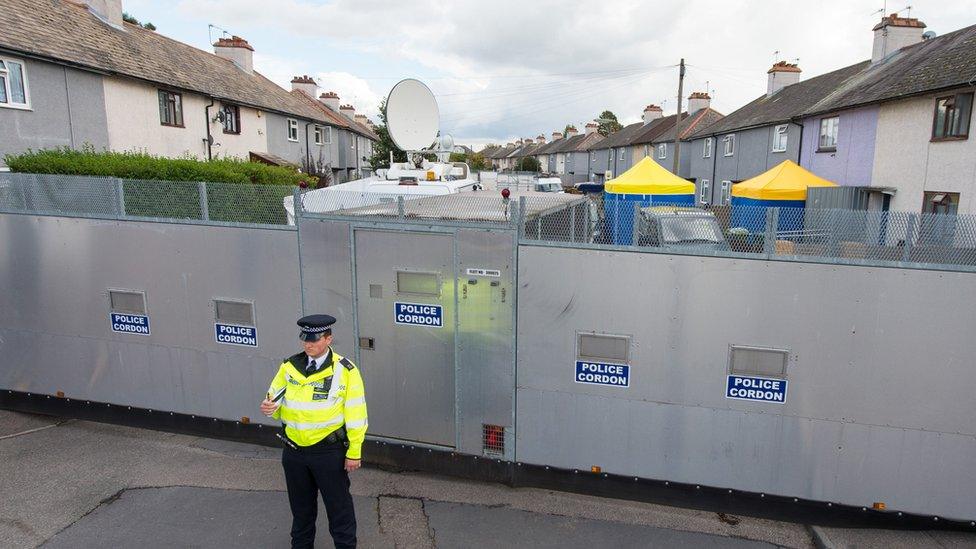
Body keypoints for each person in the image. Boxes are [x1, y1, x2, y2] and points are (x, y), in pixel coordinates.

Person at [261, 314, 368, 549]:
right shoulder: (289, 367)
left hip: (328, 452)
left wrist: (354, 452)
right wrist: (270, 408)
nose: (308, 344)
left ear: (328, 339)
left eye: (315, 339)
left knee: (339, 509)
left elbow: (356, 413)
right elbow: (274, 400)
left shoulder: (345, 371)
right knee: (301, 511)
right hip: (294, 452)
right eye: (305, 339)